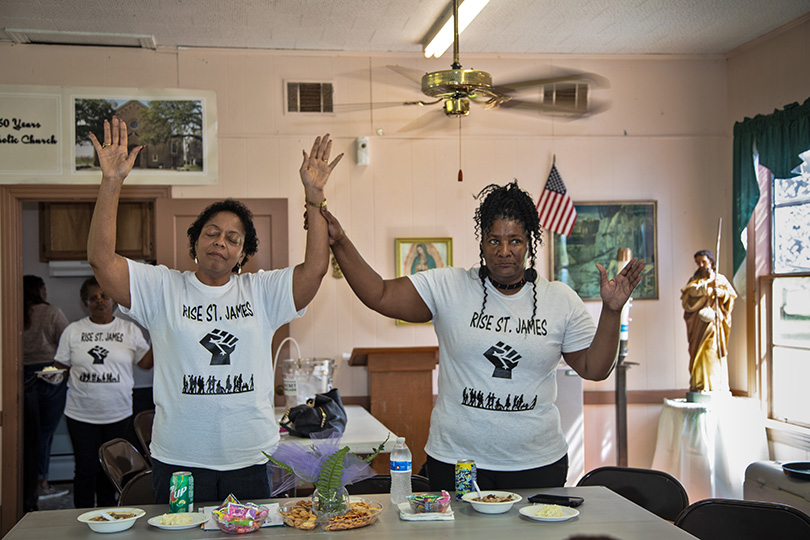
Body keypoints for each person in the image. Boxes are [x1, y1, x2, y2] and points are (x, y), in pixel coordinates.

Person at [323, 180, 644, 490]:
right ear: (482, 243)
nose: (504, 251)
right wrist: (340, 242)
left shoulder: (559, 299)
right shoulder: (449, 287)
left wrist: (612, 312)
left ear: (529, 241)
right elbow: (379, 294)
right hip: (458, 462)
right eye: (494, 240)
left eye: (515, 240)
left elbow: (595, 368)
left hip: (536, 464)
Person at [86, 116, 341, 503]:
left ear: (242, 254)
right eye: (211, 232)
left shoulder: (261, 292)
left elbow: (315, 269)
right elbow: (102, 262)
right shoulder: (162, 287)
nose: (220, 241)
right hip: (180, 460)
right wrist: (111, 181)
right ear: (195, 242)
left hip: (251, 458)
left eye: (232, 238)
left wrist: (315, 196)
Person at [54, 277, 152, 508]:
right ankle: (81, 516)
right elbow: (60, 367)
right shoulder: (73, 331)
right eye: (93, 297)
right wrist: (52, 376)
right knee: (86, 468)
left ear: (113, 300)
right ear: (85, 302)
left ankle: (110, 513)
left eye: (104, 296)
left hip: (118, 413)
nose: (99, 301)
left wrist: (159, 337)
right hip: (80, 414)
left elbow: (145, 363)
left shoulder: (128, 329)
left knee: (113, 470)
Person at [22, 275, 70, 511]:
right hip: (50, 374)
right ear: (39, 290)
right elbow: (67, 343)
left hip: (21, 376)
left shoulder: (16, 312)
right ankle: (42, 482)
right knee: (45, 432)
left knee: (27, 433)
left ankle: (30, 483)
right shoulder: (51, 312)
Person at [680, 249, 737, 393]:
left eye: (704, 261)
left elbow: (730, 297)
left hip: (714, 323)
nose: (701, 265)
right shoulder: (695, 280)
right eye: (698, 262)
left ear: (711, 261)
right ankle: (699, 384)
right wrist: (707, 287)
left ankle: (713, 385)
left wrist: (722, 293)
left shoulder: (720, 279)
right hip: (698, 324)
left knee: (711, 350)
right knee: (697, 353)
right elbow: (689, 293)